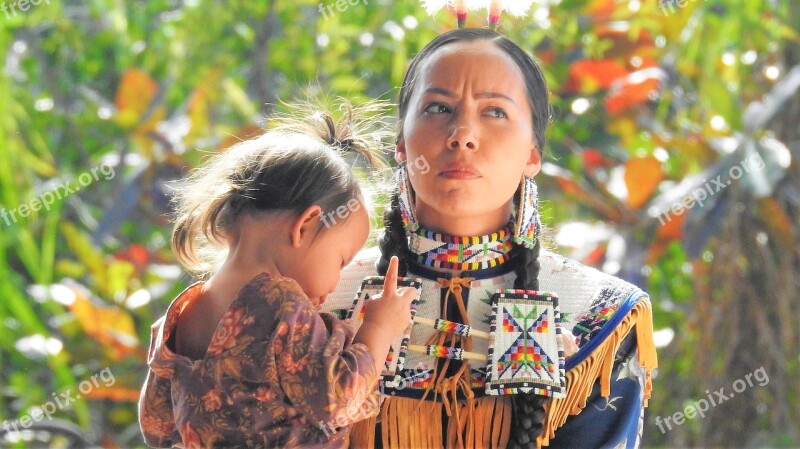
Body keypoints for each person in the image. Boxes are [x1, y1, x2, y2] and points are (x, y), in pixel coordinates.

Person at [323, 28, 658, 448]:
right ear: (402, 145)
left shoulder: (600, 319)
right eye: (439, 107)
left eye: (495, 112)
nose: (462, 134)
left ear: (533, 154)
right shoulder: (322, 299)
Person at [137, 104, 417, 448]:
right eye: (341, 261)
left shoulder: (180, 315)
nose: (335, 282)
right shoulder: (280, 301)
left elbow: (156, 426)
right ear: (304, 225)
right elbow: (338, 402)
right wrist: (379, 328)